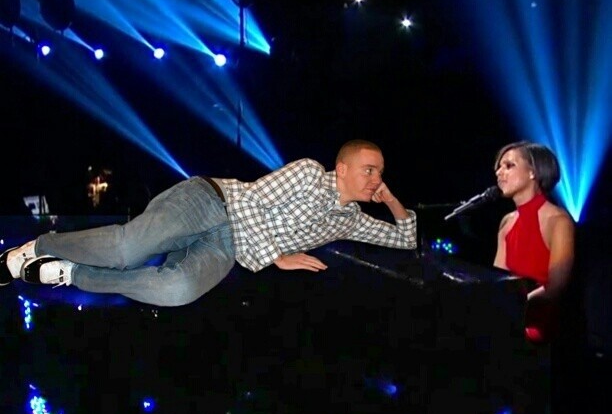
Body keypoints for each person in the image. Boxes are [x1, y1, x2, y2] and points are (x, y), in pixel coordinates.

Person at [0, 139, 417, 306]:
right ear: (341, 168)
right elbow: (251, 201)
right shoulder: (309, 172)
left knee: (177, 290)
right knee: (128, 250)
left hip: (228, 248)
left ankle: (70, 272)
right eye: (369, 170)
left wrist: (390, 199)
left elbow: (406, 238)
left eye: (380, 172)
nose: (375, 178)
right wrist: (278, 256)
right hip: (212, 202)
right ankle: (40, 245)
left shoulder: (349, 220)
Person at [492, 140, 575, 343]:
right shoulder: (507, 222)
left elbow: (556, 287)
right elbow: (498, 280)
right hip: (509, 317)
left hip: (541, 324)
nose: (499, 173)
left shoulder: (558, 220)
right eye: (499, 167)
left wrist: (514, 306)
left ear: (533, 172)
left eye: (509, 166)